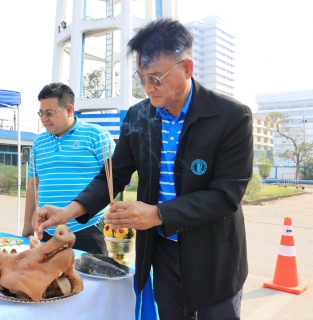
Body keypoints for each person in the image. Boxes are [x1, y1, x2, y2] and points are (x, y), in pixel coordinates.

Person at [34, 19, 253, 319]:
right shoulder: (140, 117)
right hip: (162, 253)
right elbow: (113, 174)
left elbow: (226, 195)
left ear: (187, 68)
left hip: (212, 254)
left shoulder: (230, 117)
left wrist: (157, 214)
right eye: (142, 78)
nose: (148, 88)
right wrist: (67, 212)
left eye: (156, 78)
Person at [23, 82, 115, 254]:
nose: (44, 119)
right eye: (41, 113)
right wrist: (27, 224)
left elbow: (115, 180)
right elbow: (32, 185)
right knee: (50, 280)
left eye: (50, 113)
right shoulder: (38, 143)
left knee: (92, 280)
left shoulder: (96, 136)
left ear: (69, 110)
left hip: (90, 229)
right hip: (48, 231)